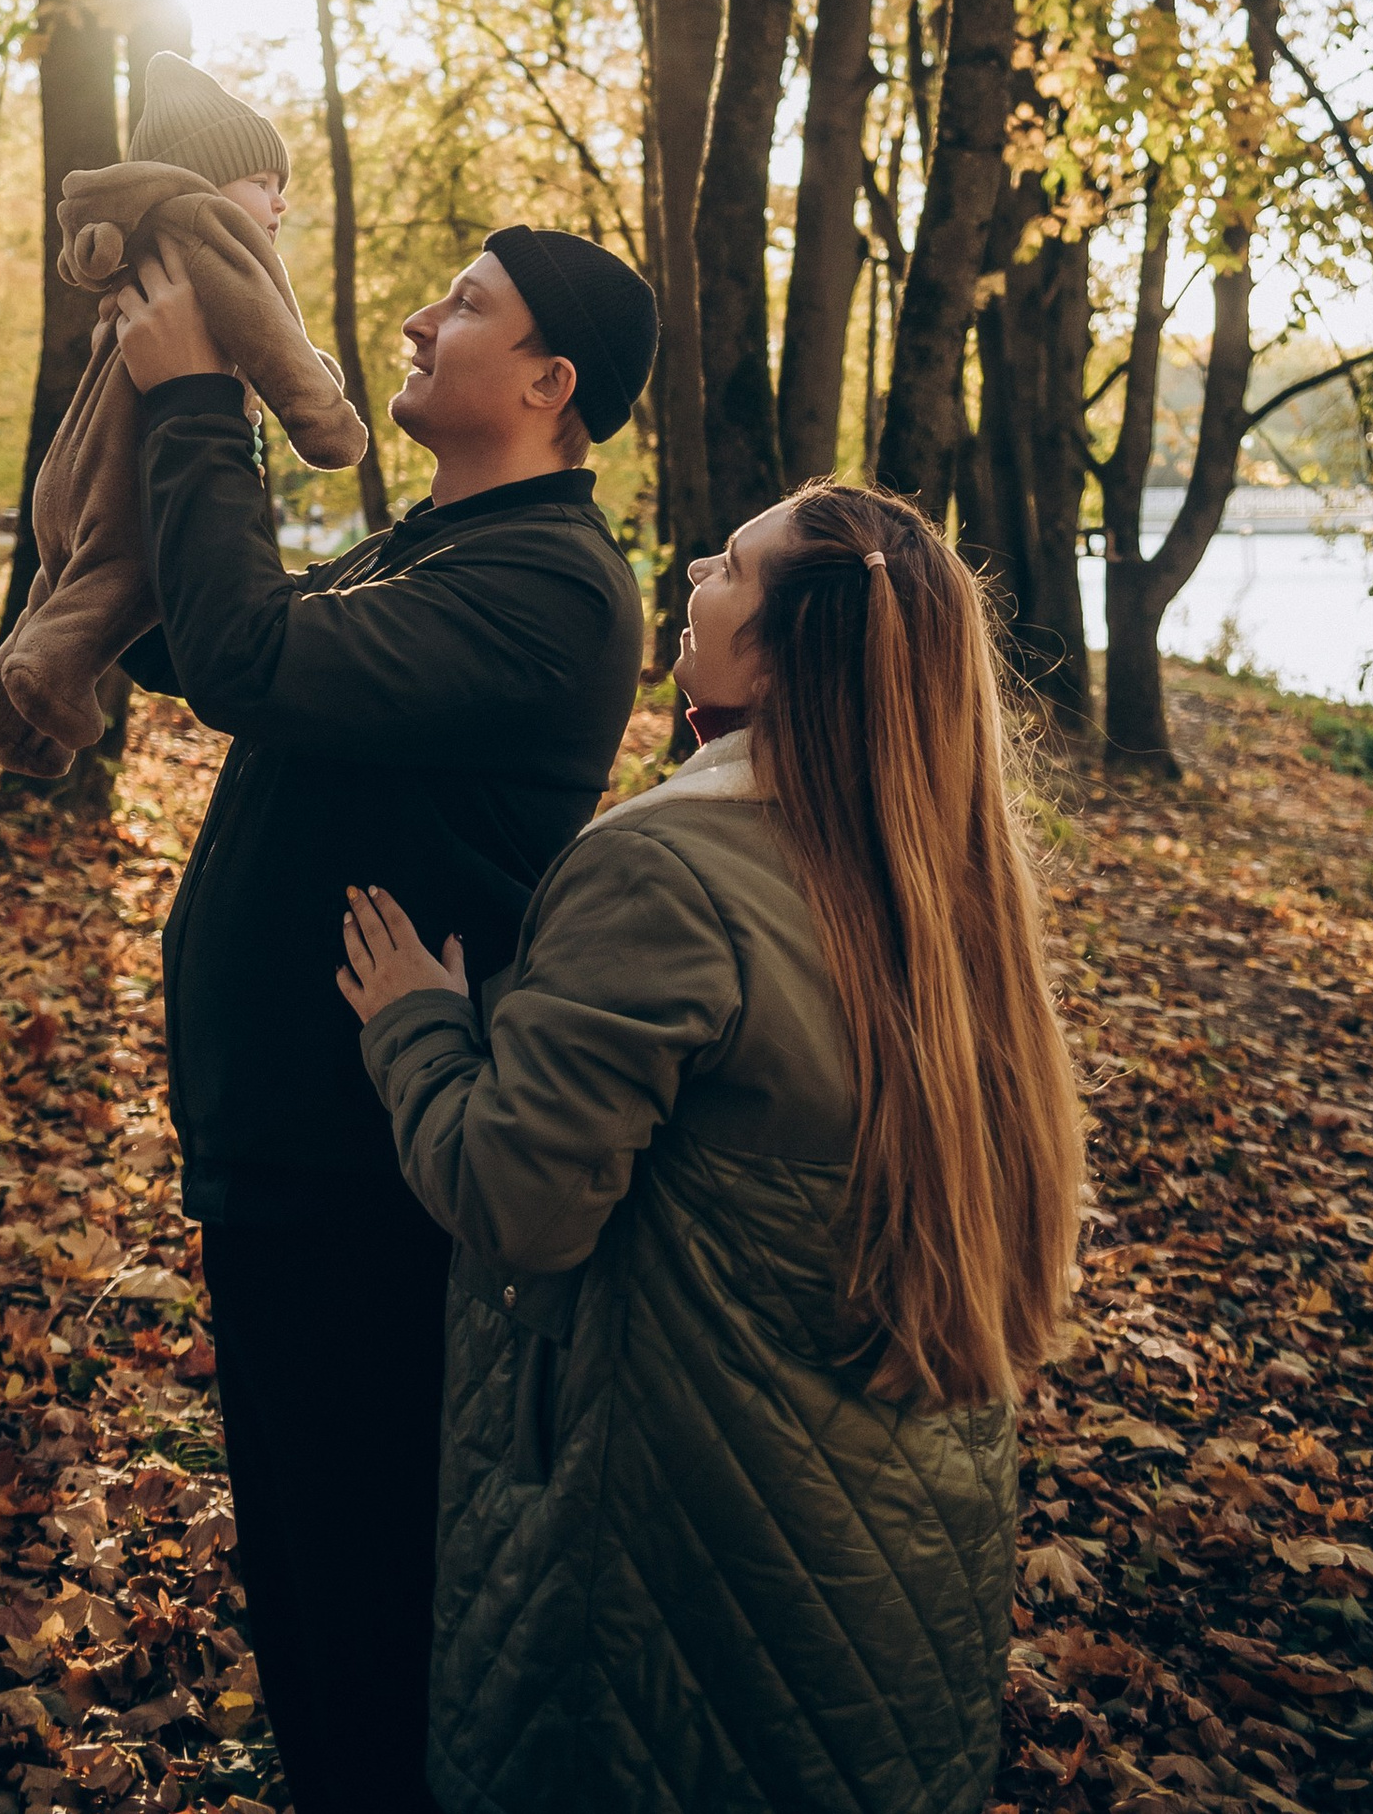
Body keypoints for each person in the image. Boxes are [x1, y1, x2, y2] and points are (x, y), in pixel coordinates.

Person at [339, 480, 1085, 1814]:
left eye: (730, 565)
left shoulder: (666, 873)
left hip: (669, 1587)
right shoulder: (939, 882)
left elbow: (517, 1197)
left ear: (783, 658)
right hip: (891, 1576)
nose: (693, 570)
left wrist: (416, 1029)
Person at [107, 220, 658, 1814]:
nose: (420, 318)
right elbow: (194, 634)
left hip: (369, 1177)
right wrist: (131, 424)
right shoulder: (442, 545)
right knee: (303, 1577)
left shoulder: (550, 585)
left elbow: (249, 657)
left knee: (361, 1595)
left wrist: (199, 399)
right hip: (295, 1146)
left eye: (467, 303)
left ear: (549, 380)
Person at [0, 54, 367, 774]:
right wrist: (324, 416)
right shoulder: (209, 225)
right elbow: (269, 329)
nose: (278, 204)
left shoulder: (144, 249)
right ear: (203, 178)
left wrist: (314, 366)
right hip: (131, 471)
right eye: (262, 182)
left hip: (75, 468)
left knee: (59, 585)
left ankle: (4, 701)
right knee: (126, 577)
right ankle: (51, 678)